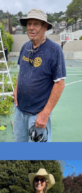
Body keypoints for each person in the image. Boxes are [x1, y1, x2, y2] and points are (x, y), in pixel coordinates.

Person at [13, 9, 66, 142]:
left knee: (37, 159)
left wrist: (45, 113)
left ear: (45, 27)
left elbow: (59, 84)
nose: (31, 28)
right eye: (29, 24)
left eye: (36, 24)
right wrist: (16, 90)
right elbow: (21, 72)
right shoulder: (25, 47)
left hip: (38, 115)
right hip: (19, 111)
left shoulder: (54, 50)